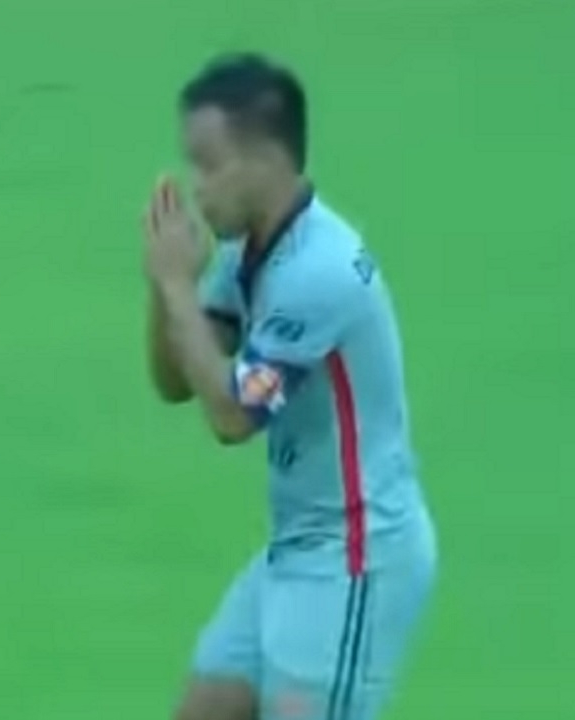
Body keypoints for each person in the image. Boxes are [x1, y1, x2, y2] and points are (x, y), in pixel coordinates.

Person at [143, 53, 437, 720]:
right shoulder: (246, 254)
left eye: (208, 165)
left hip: (355, 560)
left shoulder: (317, 271)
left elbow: (232, 417)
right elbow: (175, 382)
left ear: (265, 159)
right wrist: (165, 287)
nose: (197, 188)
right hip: (294, 549)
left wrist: (177, 285)